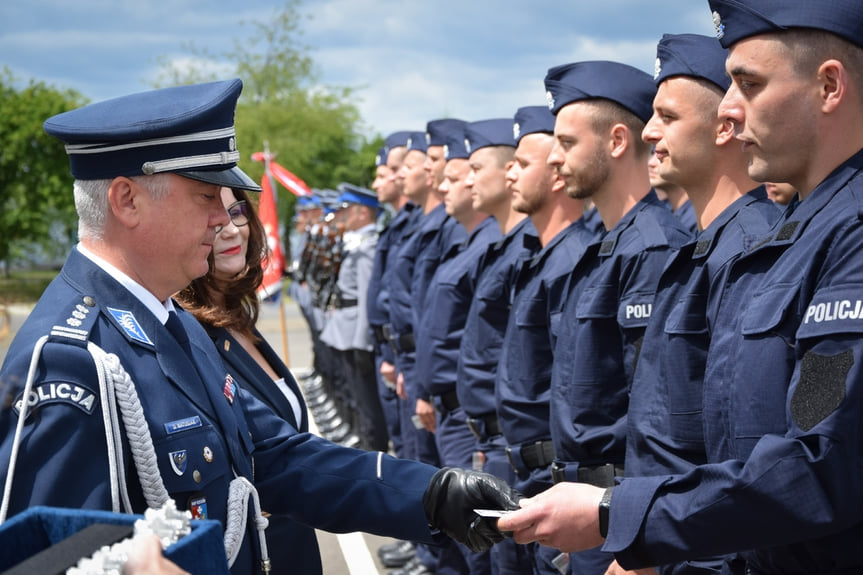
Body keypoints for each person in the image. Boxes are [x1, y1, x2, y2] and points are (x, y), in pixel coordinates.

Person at [0, 79, 520, 575]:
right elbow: (63, 556)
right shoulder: (70, 359)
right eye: (206, 197)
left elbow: (271, 455)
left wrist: (430, 494)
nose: (222, 221)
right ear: (126, 200)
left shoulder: (172, 321)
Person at [499, 2, 863, 573]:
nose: (731, 110)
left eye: (748, 83)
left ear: (829, 85)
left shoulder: (849, 239)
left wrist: (619, 514)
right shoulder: (802, 237)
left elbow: (818, 462)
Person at [614, 33, 782, 575]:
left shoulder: (753, 250)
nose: (649, 132)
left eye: (667, 116)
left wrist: (649, 545)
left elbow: (739, 451)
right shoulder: (705, 247)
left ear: (724, 126)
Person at [541, 60, 693, 574]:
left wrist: (636, 542)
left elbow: (659, 413)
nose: (553, 160)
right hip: (582, 504)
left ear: (617, 140)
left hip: (616, 515)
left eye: (566, 143)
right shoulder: (609, 246)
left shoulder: (651, 248)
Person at [175, 186, 324, 574]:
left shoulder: (235, 315)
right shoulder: (188, 332)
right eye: (213, 214)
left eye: (237, 211)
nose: (230, 229)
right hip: (258, 550)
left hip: (293, 539)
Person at [495, 105, 601, 575]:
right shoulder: (545, 257)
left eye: (521, 164)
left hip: (554, 471)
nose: (508, 174)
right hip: (528, 465)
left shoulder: (574, 259)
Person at [414, 120, 501, 575]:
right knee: (463, 529)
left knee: (481, 542)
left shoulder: (491, 245)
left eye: (460, 173)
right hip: (451, 409)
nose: (446, 183)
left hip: (471, 418)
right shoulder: (468, 241)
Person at [454, 118, 534, 575]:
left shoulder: (527, 250)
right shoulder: (503, 246)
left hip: (512, 439)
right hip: (489, 433)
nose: (466, 179)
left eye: (475, 167)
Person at [319, 183, 389, 452]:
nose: (342, 216)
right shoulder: (358, 244)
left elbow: (365, 298)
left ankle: (373, 451)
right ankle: (363, 443)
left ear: (363, 213)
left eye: (348, 211)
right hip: (345, 331)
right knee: (356, 397)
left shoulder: (367, 247)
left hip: (354, 335)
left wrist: (362, 341)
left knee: (367, 402)